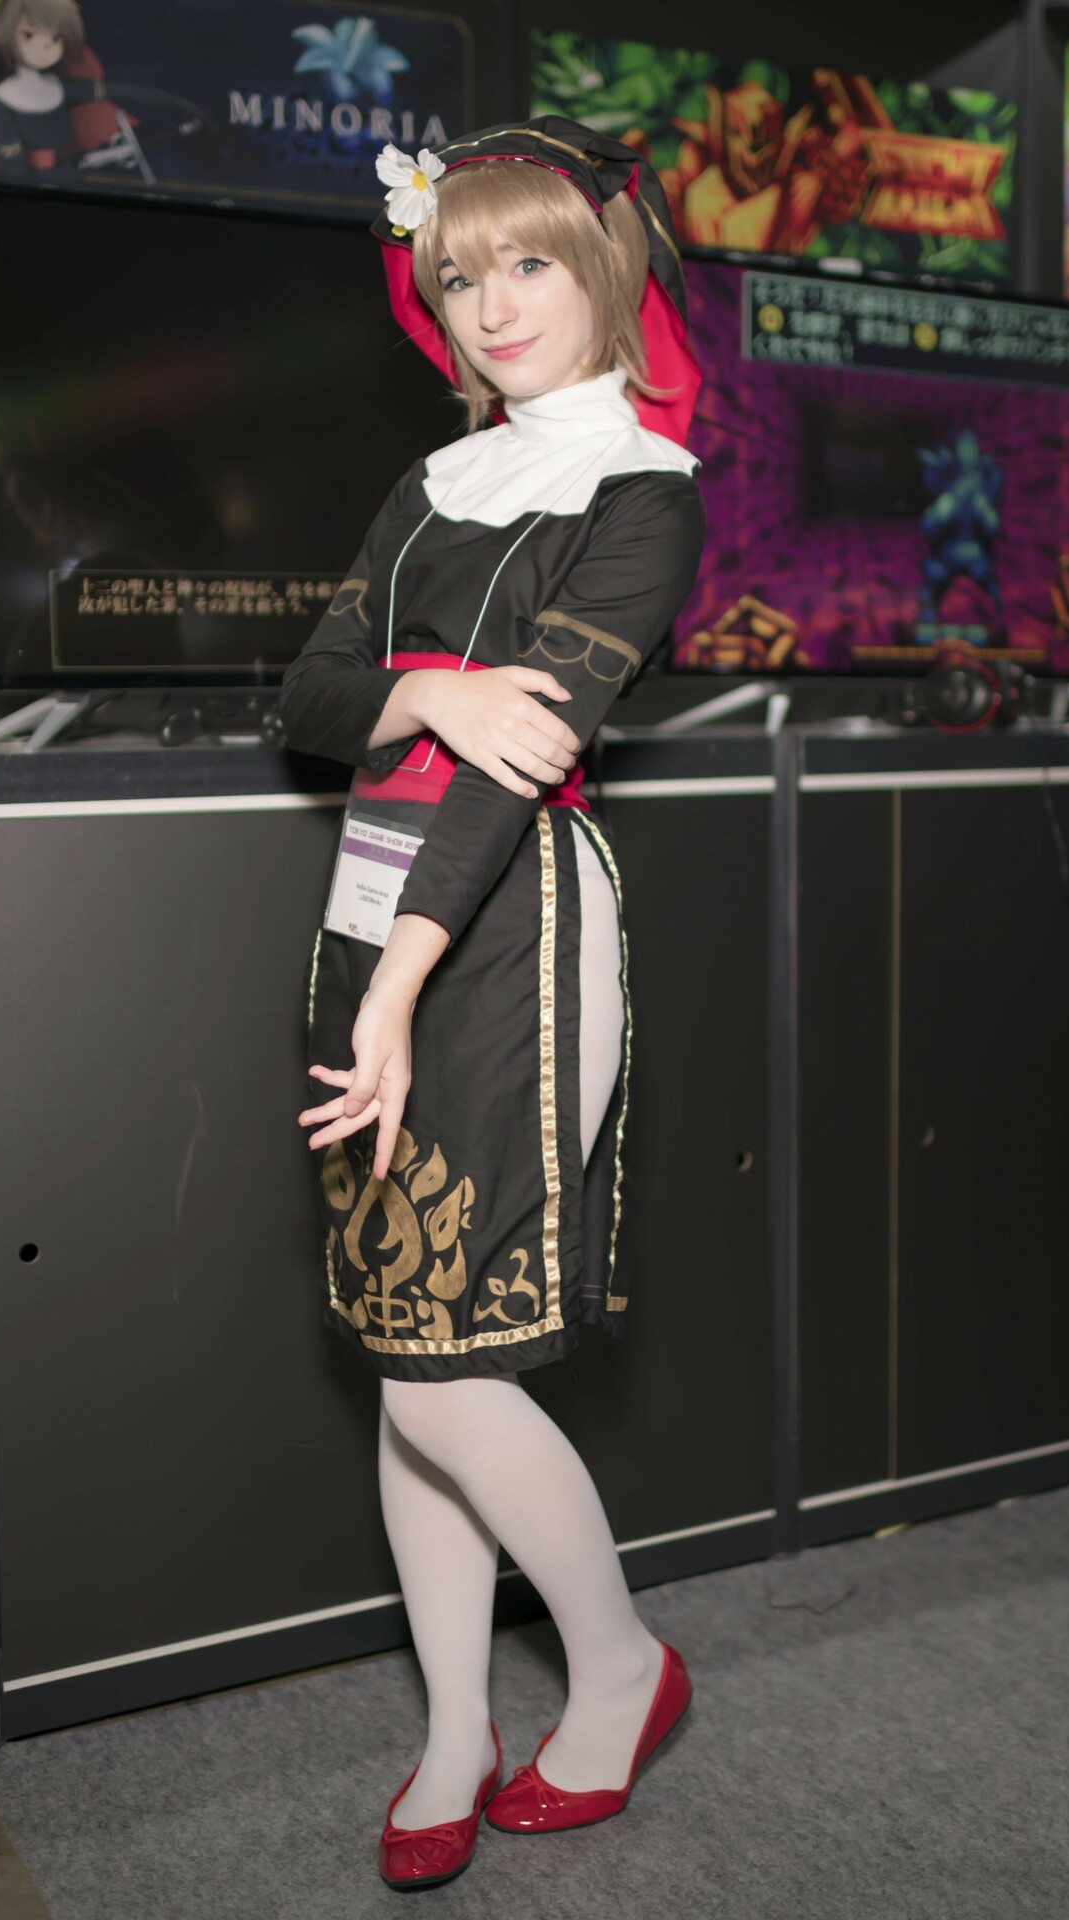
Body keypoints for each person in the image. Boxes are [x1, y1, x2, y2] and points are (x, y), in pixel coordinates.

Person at [277, 113, 707, 1891]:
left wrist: (397, 989)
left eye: (532, 261)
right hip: (366, 907)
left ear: (605, 266)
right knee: (407, 1361)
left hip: (506, 922)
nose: (496, 304)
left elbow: (519, 765)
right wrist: (436, 694)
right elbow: (309, 697)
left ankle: (617, 1668)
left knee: (455, 1370)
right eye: (460, 276)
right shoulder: (436, 482)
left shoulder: (645, 490)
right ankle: (456, 1725)